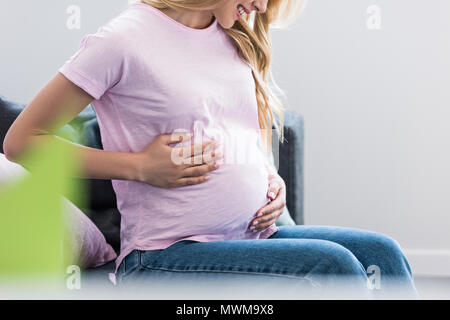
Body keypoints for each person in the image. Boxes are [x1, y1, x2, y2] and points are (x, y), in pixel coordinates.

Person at [3, 0, 419, 298]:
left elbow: (239, 129)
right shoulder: (121, 41)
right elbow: (22, 141)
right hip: (162, 258)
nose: (259, 6)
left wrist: (272, 182)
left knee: (382, 253)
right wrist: (140, 166)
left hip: (251, 237)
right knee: (333, 267)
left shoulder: (229, 35)